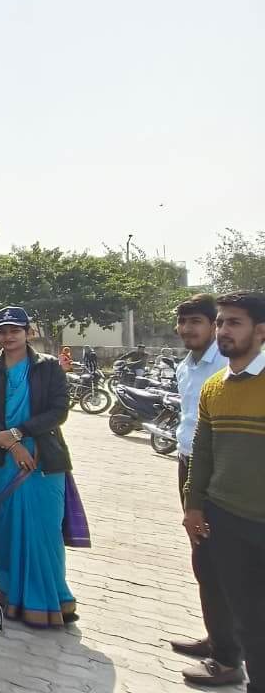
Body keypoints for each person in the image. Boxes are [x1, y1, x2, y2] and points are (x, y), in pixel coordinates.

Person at [0, 305, 77, 627]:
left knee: (45, 529)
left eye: (15, 330)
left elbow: (59, 410)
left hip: (42, 458)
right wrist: (11, 443)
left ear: (28, 332)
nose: (8, 337)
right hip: (2, 456)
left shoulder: (48, 367)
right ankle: (13, 598)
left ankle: (49, 600)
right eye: (2, 331)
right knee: (7, 527)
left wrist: (19, 434)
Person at [183, 291, 265, 692]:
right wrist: (194, 505)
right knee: (247, 616)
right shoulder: (215, 386)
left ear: (260, 331)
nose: (222, 331)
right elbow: (202, 451)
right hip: (226, 517)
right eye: (220, 322)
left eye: (234, 323)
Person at [166, 294, 240, 687]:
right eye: (183, 322)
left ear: (214, 324)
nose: (187, 329)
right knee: (204, 557)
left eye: (196, 321)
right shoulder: (186, 367)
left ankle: (229, 658)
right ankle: (218, 638)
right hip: (188, 463)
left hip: (220, 470)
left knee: (222, 559)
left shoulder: (230, 364)